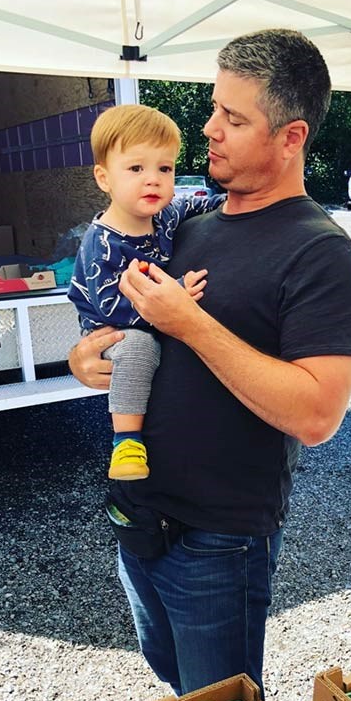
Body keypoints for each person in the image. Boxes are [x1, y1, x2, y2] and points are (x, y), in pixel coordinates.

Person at [69, 28, 351, 698]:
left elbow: (318, 413)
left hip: (218, 541)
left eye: (233, 119)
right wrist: (82, 355)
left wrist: (190, 323)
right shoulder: (187, 223)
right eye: (213, 109)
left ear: (291, 137)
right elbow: (121, 322)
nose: (209, 130)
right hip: (140, 512)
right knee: (177, 686)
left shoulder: (320, 252)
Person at [67, 104, 224, 480]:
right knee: (140, 346)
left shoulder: (165, 215)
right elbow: (111, 306)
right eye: (136, 168)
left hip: (152, 316)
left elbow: (200, 203)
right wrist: (174, 301)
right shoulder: (102, 242)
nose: (153, 180)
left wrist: (234, 202)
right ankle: (126, 441)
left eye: (164, 168)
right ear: (104, 178)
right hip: (110, 327)